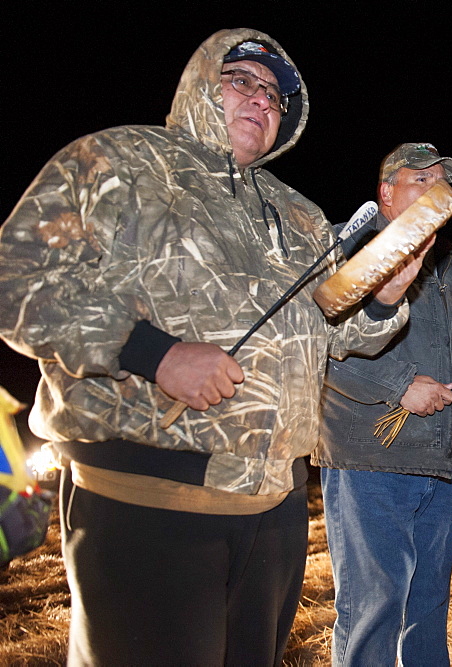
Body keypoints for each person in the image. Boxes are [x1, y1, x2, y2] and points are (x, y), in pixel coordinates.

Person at [0, 29, 419, 665]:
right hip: (148, 499)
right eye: (242, 80)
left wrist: (385, 295)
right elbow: (15, 279)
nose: (262, 100)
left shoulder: (299, 214)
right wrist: (153, 353)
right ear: (201, 84)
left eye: (277, 96)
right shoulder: (118, 160)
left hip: (273, 508)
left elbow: (334, 331)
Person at [314, 143, 452, 665]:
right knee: (374, 607)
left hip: (443, 464)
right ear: (386, 192)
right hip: (372, 459)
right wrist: (400, 384)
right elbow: (319, 344)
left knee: (429, 608)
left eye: (441, 181)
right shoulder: (350, 255)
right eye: (420, 179)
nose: (434, 189)